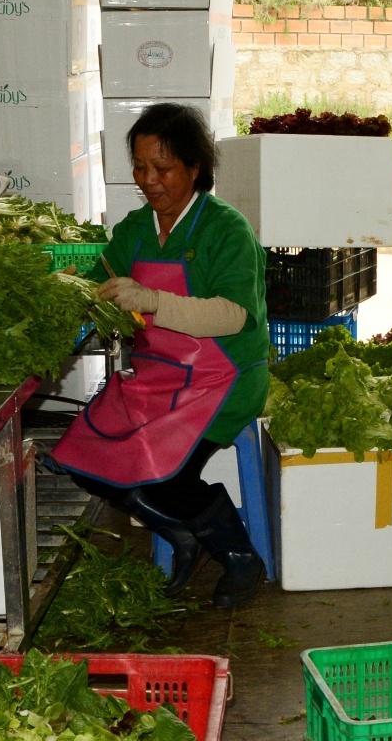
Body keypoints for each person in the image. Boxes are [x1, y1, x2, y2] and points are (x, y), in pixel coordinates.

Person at [49, 103, 270, 607]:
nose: (148, 179)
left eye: (163, 168)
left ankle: (239, 556)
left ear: (195, 169)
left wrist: (151, 301)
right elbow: (93, 287)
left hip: (223, 380)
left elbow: (233, 316)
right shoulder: (135, 230)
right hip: (157, 379)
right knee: (83, 457)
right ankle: (183, 535)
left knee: (164, 474)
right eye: (140, 167)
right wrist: (58, 298)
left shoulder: (225, 230)